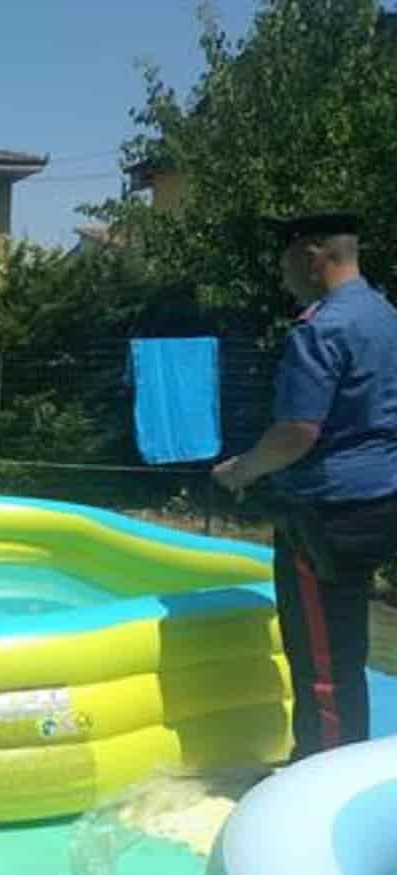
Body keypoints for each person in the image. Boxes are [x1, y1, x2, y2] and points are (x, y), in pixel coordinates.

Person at [212, 211, 397, 761]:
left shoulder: (320, 329)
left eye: (286, 255)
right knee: (352, 645)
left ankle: (320, 789)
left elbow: (297, 432)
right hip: (384, 500)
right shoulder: (384, 315)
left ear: (315, 256)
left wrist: (242, 470)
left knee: (324, 665)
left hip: (326, 517)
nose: (281, 269)